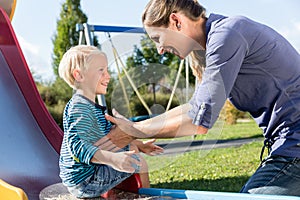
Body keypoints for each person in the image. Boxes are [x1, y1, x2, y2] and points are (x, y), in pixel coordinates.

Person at [101, 0, 300, 196]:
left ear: (176, 21)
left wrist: (134, 131)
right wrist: (134, 129)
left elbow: (198, 122)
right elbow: (194, 109)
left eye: (157, 38)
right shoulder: (215, 42)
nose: (159, 50)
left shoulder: (227, 35)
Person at [58, 45, 163, 198]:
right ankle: (145, 196)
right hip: (85, 181)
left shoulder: (87, 105)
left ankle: (128, 190)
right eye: (101, 70)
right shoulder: (80, 108)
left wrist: (140, 145)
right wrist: (113, 159)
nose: (108, 76)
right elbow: (79, 146)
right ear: (79, 76)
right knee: (139, 162)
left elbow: (108, 139)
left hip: (85, 176)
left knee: (133, 149)